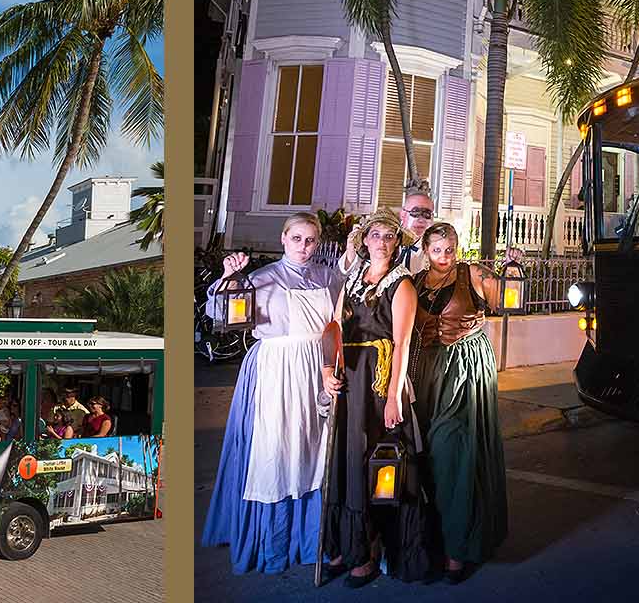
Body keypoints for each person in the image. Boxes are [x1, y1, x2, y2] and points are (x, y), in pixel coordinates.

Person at [200, 212, 345, 576]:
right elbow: (218, 314)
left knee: (314, 449)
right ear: (283, 239)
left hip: (317, 369)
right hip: (276, 371)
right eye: (297, 239)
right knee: (275, 452)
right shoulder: (261, 279)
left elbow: (342, 319)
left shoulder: (330, 278)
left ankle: (312, 540)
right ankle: (274, 544)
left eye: (310, 240)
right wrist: (229, 277)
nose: (304, 247)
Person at [321, 209, 429, 587]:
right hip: (349, 379)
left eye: (389, 236)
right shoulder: (351, 281)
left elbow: (401, 344)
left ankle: (367, 552)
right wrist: (326, 374)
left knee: (376, 464)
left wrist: (394, 397)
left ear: (397, 243)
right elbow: (333, 330)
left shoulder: (402, 285)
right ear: (364, 240)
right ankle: (345, 547)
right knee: (346, 462)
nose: (382, 241)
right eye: (376, 235)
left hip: (378, 382)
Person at [410, 222, 508, 583]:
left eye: (450, 249)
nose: (444, 256)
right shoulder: (416, 282)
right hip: (426, 371)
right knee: (423, 457)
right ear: (426, 250)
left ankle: (458, 548)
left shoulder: (473, 274)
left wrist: (507, 273)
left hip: (464, 368)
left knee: (453, 450)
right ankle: (433, 538)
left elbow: (504, 298)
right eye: (437, 250)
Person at [397, 190, 436, 272]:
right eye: (415, 213)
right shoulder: (388, 242)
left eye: (427, 214)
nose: (421, 220)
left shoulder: (435, 250)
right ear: (402, 215)